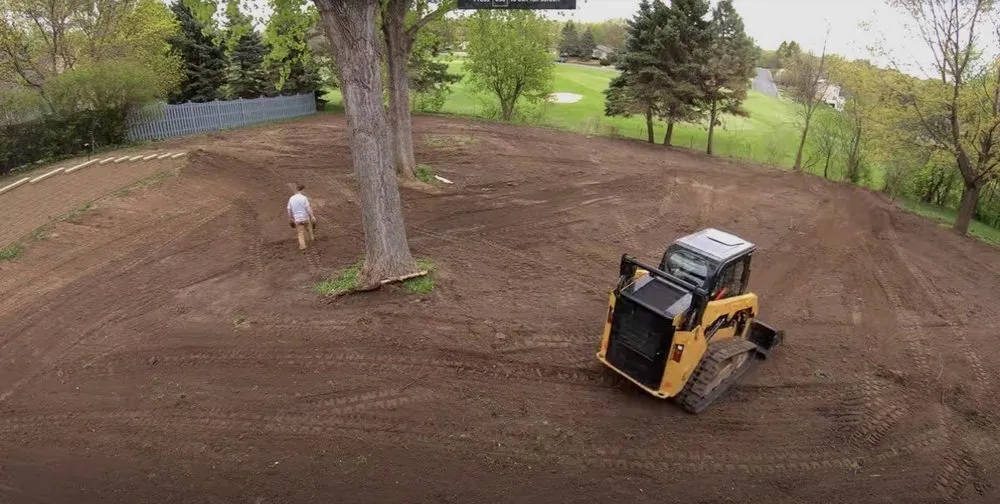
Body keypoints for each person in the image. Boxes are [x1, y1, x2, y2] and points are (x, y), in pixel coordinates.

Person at [287, 184, 316, 250]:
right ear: (302, 190)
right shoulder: (304, 198)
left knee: (300, 232)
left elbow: (289, 209)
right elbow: (308, 208)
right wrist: (312, 216)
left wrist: (290, 218)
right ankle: (311, 241)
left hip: (297, 219)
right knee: (309, 228)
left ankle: (303, 246)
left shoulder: (291, 198)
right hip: (305, 218)